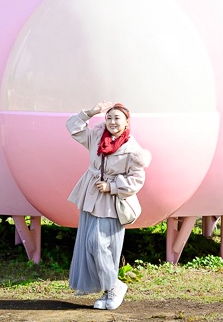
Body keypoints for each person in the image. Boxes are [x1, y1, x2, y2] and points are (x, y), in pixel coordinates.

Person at [66, 101, 151, 311]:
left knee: (100, 244)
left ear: (127, 122)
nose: (112, 122)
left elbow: (137, 180)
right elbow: (73, 127)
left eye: (117, 119)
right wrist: (91, 112)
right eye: (109, 118)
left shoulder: (132, 149)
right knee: (90, 245)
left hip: (113, 202)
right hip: (91, 196)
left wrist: (112, 186)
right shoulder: (96, 136)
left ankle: (114, 286)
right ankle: (108, 290)